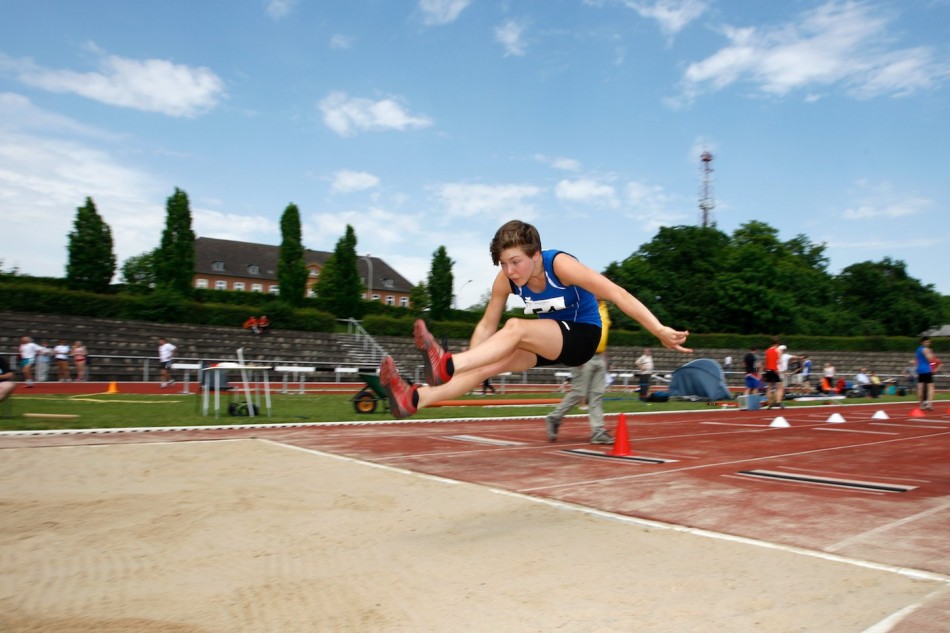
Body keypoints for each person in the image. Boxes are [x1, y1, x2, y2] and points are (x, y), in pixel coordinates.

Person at [379, 220, 691, 419]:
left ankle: (445, 365)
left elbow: (618, 294)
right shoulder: (506, 280)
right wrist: (472, 362)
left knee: (514, 327)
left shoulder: (562, 266)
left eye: (516, 261)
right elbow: (487, 325)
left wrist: (659, 329)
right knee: (488, 363)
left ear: (536, 255)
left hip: (582, 337)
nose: (510, 270)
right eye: (503, 263)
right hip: (546, 342)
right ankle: (414, 398)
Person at [545, 299, 614, 444]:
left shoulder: (604, 308)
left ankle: (598, 431)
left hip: (600, 356)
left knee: (597, 394)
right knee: (579, 392)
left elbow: (603, 335)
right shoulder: (581, 305)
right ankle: (554, 418)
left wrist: (605, 359)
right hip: (584, 354)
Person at [916, 336, 937, 410]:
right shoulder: (926, 349)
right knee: (930, 387)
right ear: (922, 342)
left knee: (920, 387)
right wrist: (931, 354)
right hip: (927, 369)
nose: (928, 343)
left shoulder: (918, 349)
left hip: (920, 369)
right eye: (927, 342)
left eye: (929, 342)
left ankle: (921, 405)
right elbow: (931, 359)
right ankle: (929, 404)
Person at [762, 338, 784, 409]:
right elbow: (779, 361)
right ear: (777, 344)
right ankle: (778, 402)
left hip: (768, 370)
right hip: (775, 370)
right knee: (779, 387)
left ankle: (769, 404)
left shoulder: (767, 351)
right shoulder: (778, 350)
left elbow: (765, 361)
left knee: (769, 387)